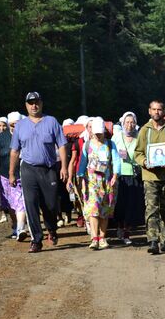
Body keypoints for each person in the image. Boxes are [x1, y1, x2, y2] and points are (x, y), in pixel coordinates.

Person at [9, 92, 68, 253]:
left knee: (50, 204)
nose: (34, 105)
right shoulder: (20, 125)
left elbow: (62, 145)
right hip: (28, 168)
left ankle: (52, 228)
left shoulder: (52, 121)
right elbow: (14, 151)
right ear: (26, 105)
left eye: (36, 102)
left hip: (49, 168)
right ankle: (36, 239)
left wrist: (63, 167)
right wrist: (11, 173)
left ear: (41, 103)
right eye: (30, 103)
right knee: (30, 203)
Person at [135, 100, 165, 255]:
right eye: (154, 109)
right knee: (151, 209)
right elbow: (137, 153)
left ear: (164, 111)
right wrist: (144, 162)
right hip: (150, 176)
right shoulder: (144, 130)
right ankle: (153, 240)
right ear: (149, 111)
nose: (157, 112)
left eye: (159, 110)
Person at [78, 117, 121, 250]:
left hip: (107, 182)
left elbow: (116, 161)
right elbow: (82, 163)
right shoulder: (87, 145)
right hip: (91, 182)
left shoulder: (110, 144)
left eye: (100, 133)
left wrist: (115, 175)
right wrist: (80, 178)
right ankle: (94, 238)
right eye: (95, 133)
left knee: (105, 210)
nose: (98, 135)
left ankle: (102, 238)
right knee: (93, 210)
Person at [0, 112, 27, 241]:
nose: (14, 127)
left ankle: (21, 228)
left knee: (20, 201)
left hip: (23, 174)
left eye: (17, 125)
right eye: (12, 125)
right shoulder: (1, 138)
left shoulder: (25, 135)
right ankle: (16, 225)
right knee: (11, 204)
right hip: (4, 176)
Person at [111, 111, 145, 245]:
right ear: (123, 123)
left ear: (136, 123)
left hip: (135, 175)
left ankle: (127, 232)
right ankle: (119, 226)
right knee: (120, 204)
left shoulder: (140, 137)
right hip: (119, 175)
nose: (130, 125)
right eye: (127, 122)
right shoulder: (116, 137)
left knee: (132, 204)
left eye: (132, 122)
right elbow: (111, 154)